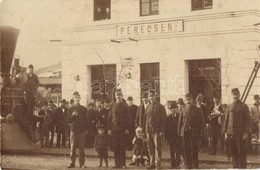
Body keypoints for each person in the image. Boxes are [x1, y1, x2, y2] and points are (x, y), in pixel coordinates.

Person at [223, 88, 250, 168]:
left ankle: (242, 167)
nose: (235, 95)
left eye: (236, 94)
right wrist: (225, 132)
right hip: (231, 133)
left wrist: (246, 132)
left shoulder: (244, 106)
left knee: (241, 152)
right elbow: (226, 120)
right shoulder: (229, 106)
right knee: (233, 152)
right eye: (233, 94)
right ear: (231, 95)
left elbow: (247, 121)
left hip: (241, 134)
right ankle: (235, 167)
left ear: (239, 94)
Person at [178, 93, 205, 169]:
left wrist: (201, 133)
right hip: (185, 132)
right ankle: (188, 164)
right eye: (187, 100)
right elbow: (180, 121)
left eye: (189, 99)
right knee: (186, 148)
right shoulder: (183, 110)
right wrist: (179, 132)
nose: (188, 101)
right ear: (185, 101)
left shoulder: (198, 110)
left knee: (194, 148)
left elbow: (202, 122)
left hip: (194, 133)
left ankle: (195, 165)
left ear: (192, 100)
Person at [107, 88, 130, 169]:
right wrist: (109, 128)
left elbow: (128, 118)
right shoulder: (112, 105)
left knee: (122, 147)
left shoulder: (125, 105)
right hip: (114, 129)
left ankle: (123, 164)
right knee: (115, 147)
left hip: (123, 129)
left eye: (120, 95)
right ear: (115, 96)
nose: (118, 96)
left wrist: (127, 128)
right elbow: (109, 118)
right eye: (117, 95)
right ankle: (117, 164)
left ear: (122, 95)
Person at [67, 91, 90, 168]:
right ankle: (72, 163)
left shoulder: (84, 109)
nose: (77, 98)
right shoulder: (70, 109)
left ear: (80, 98)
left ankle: (82, 163)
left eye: (78, 97)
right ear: (73, 99)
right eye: (75, 97)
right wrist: (72, 115)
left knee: (81, 148)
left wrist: (86, 129)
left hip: (81, 131)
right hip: (73, 131)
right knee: (72, 148)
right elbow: (67, 120)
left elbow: (87, 120)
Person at [145, 90, 167, 169]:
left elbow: (164, 120)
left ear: (155, 96)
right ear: (148, 97)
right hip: (149, 130)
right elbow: (146, 119)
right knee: (150, 147)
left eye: (153, 96)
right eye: (150, 96)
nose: (151, 97)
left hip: (157, 130)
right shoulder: (148, 106)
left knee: (157, 147)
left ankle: (158, 164)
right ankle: (152, 163)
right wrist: (146, 130)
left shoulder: (160, 107)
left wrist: (162, 130)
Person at [165, 102, 181, 168]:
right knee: (171, 150)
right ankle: (172, 164)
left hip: (177, 136)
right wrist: (166, 138)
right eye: (171, 109)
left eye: (174, 108)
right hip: (171, 136)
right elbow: (166, 128)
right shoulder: (168, 117)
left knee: (178, 150)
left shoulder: (179, 117)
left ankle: (177, 163)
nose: (173, 110)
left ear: (176, 109)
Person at [24, 64, 39, 131]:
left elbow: (38, 83)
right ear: (28, 69)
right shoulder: (25, 76)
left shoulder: (35, 76)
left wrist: (35, 88)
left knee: (32, 107)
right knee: (27, 107)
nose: (31, 70)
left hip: (32, 94)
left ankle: (30, 119)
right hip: (26, 93)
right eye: (30, 69)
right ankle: (27, 119)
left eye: (32, 69)